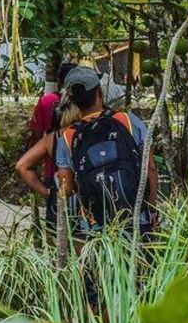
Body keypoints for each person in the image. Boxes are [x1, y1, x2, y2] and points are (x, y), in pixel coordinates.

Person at [54, 66, 158, 232]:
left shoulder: (67, 138)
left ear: (72, 100)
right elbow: (150, 167)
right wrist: (151, 209)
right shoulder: (128, 120)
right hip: (137, 216)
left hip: (95, 224)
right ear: (99, 92)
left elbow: (67, 188)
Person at [16, 92, 81, 228]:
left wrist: (46, 192)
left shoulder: (53, 138)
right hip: (86, 198)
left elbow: (22, 165)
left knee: (57, 240)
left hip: (60, 195)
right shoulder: (88, 132)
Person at [23, 61, 77, 225]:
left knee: (56, 224)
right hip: (80, 171)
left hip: (54, 170)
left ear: (59, 82)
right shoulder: (84, 104)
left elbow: (37, 135)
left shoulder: (47, 102)